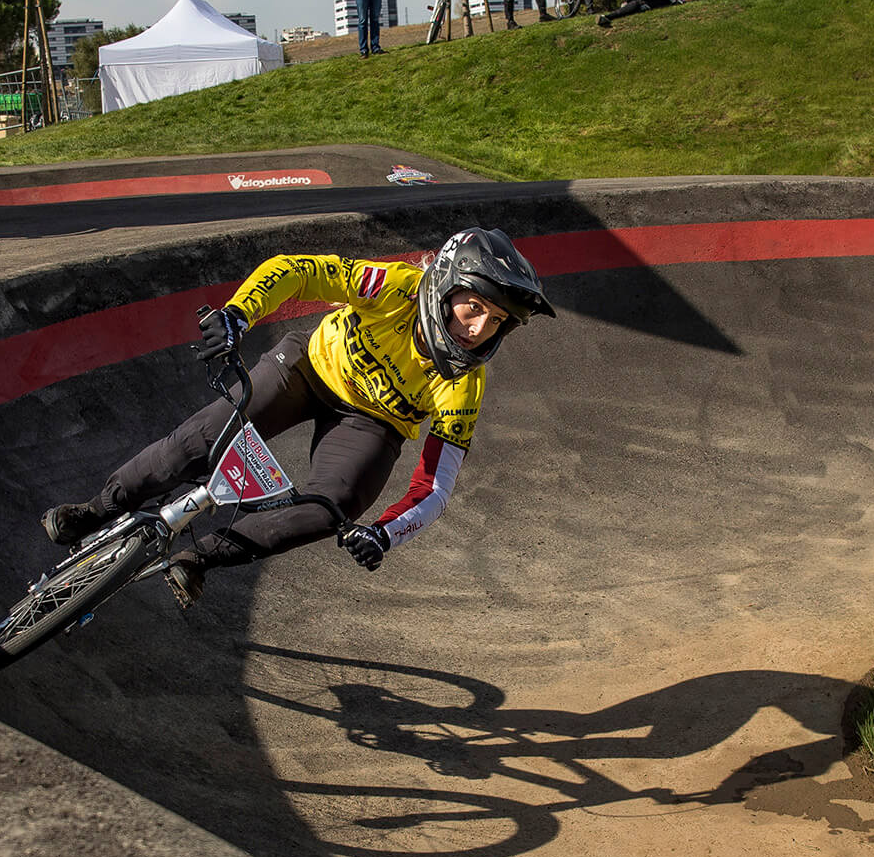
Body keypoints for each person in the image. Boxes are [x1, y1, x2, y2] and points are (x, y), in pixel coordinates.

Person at [40, 229, 556, 607]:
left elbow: (436, 487)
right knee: (191, 447)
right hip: (307, 370)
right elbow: (299, 270)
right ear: (442, 289)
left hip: (373, 426)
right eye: (472, 308)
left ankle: (199, 560)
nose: (478, 330)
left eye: (497, 322)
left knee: (330, 509)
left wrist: (385, 533)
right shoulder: (396, 287)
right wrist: (238, 315)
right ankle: (94, 510)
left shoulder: (465, 385)